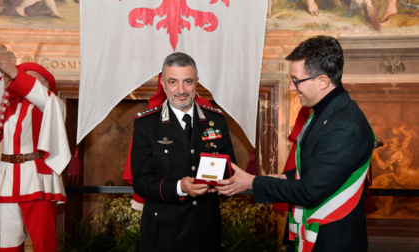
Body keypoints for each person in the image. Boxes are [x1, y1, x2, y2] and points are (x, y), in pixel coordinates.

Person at [216, 36, 375, 252]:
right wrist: (280, 177)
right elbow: (317, 171)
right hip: (313, 234)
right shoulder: (324, 112)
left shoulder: (346, 125)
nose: (291, 87)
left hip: (332, 240)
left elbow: (310, 191)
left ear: (322, 81)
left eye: (296, 80)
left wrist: (253, 182)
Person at [131, 52, 236, 252]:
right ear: (162, 83)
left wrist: (223, 186)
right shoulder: (146, 124)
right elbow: (142, 182)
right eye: (173, 82)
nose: (181, 90)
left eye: (187, 81)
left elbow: (230, 167)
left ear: (197, 81)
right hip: (164, 234)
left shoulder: (217, 120)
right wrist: (179, 187)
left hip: (206, 231)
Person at [0, 57, 71, 251]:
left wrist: (15, 74)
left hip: (37, 179)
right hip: (7, 181)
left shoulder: (52, 103)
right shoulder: (7, 107)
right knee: (6, 244)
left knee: (44, 244)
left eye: (28, 78)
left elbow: (40, 96)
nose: (20, 81)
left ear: (46, 84)